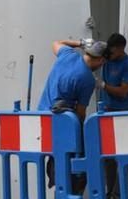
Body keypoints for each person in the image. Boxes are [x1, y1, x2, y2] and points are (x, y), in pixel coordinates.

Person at [38, 36, 108, 192]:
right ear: (101, 60)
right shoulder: (87, 79)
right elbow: (81, 112)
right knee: (71, 164)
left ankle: (58, 186)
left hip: (42, 117)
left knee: (54, 157)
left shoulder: (68, 54)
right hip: (64, 123)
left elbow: (56, 42)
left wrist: (80, 43)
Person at [100, 33, 128, 198]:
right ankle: (110, 192)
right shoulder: (108, 60)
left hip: (122, 112)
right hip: (106, 112)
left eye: (113, 52)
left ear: (121, 49)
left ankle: (119, 193)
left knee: (123, 154)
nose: (110, 56)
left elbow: (123, 92)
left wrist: (102, 85)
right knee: (107, 155)